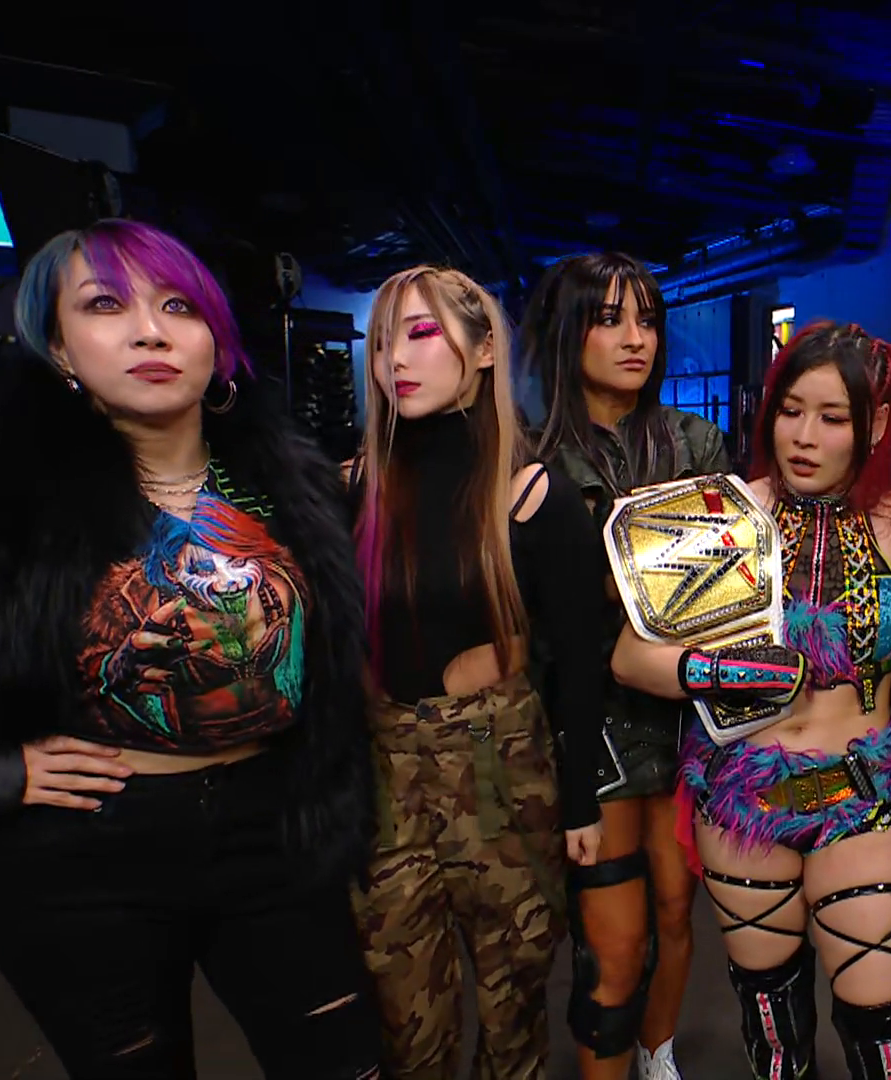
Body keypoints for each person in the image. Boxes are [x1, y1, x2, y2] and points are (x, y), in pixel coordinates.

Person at [0, 219, 382, 1078]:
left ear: (217, 343)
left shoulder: (291, 487)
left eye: (179, 306)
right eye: (105, 305)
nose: (150, 330)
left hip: (275, 834)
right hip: (84, 857)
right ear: (58, 347)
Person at [611, 320, 891, 1080]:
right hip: (744, 803)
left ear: (875, 423)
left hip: (861, 796)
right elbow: (629, 658)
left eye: (832, 418)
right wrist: (715, 671)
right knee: (773, 1028)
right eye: (790, 411)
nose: (804, 437)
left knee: (887, 1029)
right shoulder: (726, 515)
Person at [348, 265, 610, 1080]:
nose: (396, 359)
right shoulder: (355, 489)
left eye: (422, 333)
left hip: (502, 773)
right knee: (406, 1031)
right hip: (386, 781)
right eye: (382, 341)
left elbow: (583, 664)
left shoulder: (532, 497)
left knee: (512, 1021)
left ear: (485, 347)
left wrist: (579, 803)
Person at [520, 251, 728, 1080]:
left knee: (677, 914)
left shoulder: (695, 441)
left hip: (687, 719)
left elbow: (729, 578)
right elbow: (531, 612)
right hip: (588, 725)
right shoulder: (530, 459)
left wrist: (620, 580)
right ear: (567, 334)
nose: (635, 338)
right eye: (609, 320)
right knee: (615, 943)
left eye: (646, 320)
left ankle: (658, 1054)